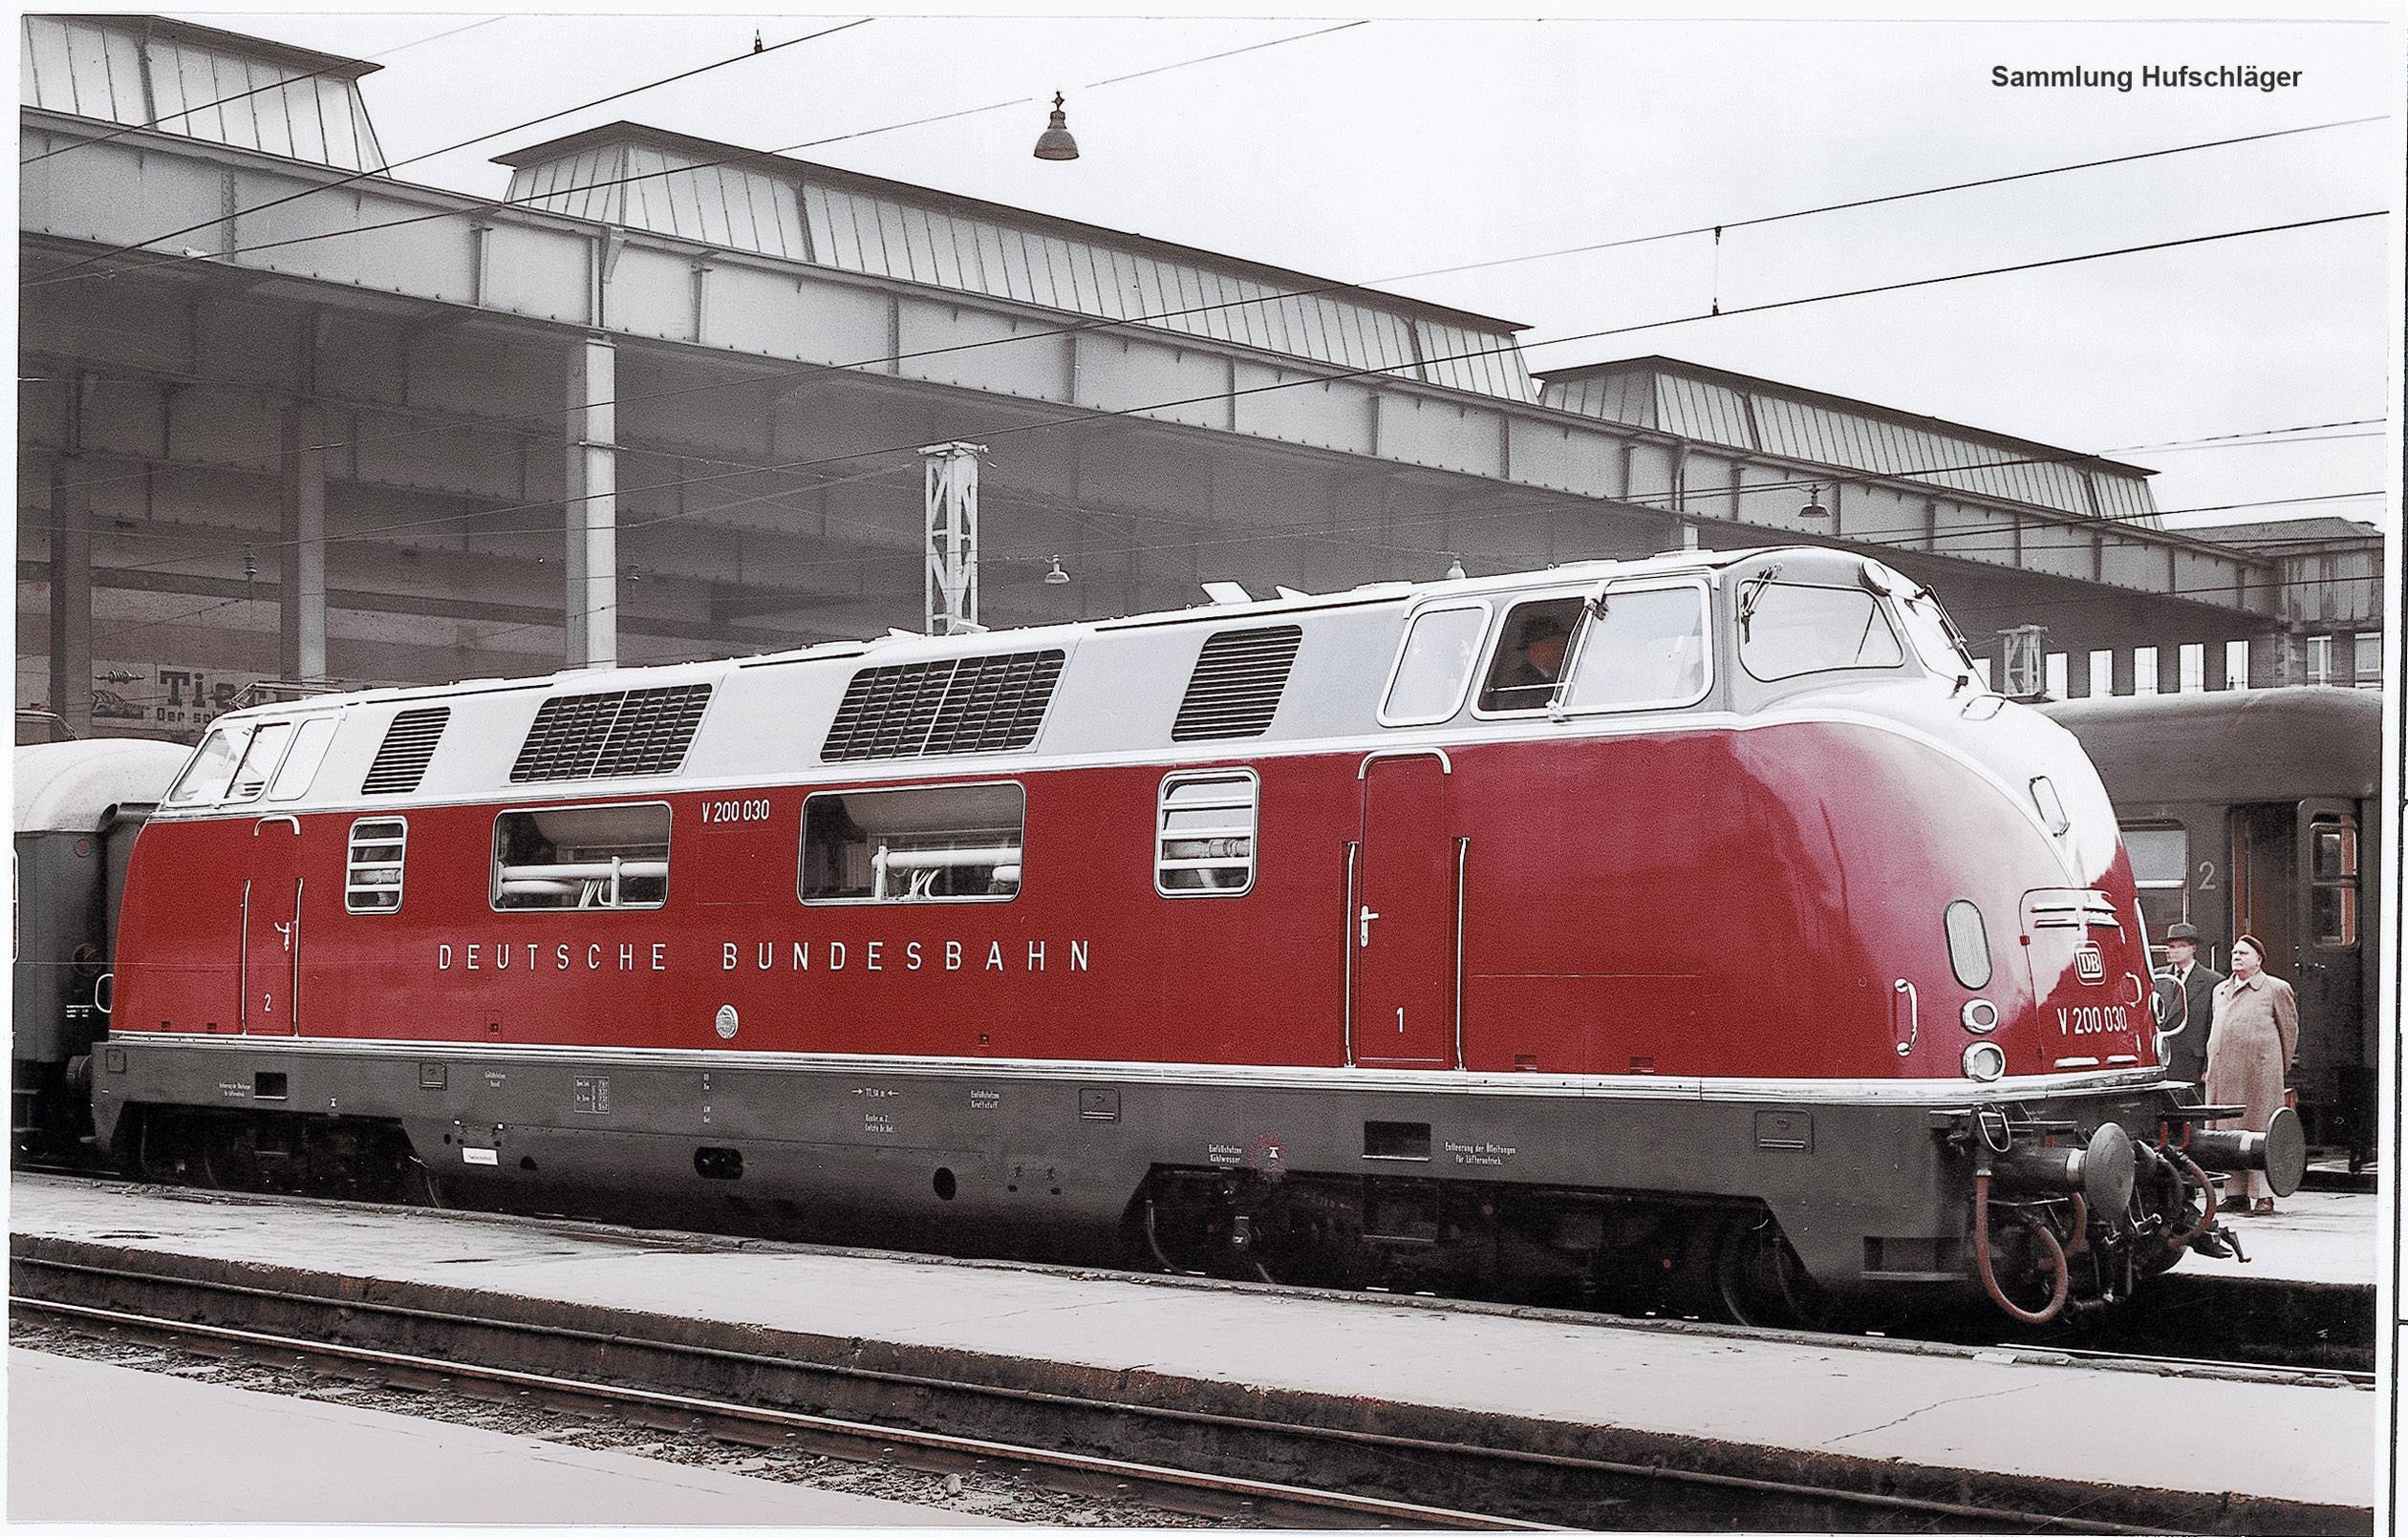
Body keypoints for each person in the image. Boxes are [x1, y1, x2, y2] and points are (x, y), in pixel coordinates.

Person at [2203, 934, 2298, 1216]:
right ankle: (2235, 1194)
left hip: (2260, 1075)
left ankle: (2263, 1196)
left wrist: (2277, 1067)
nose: (2236, 956)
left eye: (2243, 953)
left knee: (2261, 1130)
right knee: (2228, 1131)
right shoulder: (2220, 990)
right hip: (2224, 1074)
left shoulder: (2275, 989)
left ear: (2259, 960)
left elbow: (2289, 1032)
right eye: (2234, 953)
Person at [2158, 923, 2225, 1095]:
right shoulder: (2158, 977)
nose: (2174, 951)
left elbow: (2214, 1028)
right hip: (2164, 1061)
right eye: (2171, 946)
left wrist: (2208, 1066)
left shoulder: (2213, 981)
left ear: (2193, 948)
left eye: (2181, 946)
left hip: (2193, 1064)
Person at [1490, 611, 1571, 706]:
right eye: (1553, 644)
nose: (1561, 650)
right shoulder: (1519, 681)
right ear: (1534, 650)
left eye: (1560, 644)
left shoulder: (1559, 675)